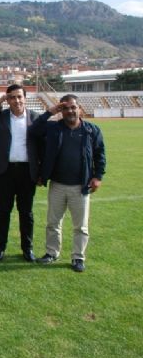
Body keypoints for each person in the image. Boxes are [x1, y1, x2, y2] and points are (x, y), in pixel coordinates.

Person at [29, 95, 106, 272]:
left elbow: (100, 155)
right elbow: (33, 131)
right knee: (53, 223)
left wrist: (98, 177)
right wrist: (50, 112)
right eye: (65, 108)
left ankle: (78, 257)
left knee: (81, 226)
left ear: (79, 108)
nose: (70, 111)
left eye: (73, 107)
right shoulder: (53, 128)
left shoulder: (92, 130)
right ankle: (52, 253)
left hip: (81, 186)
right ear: (61, 110)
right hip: (57, 184)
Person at [0, 84, 41, 262]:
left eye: (19, 96)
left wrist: (41, 172)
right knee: (3, 211)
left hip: (27, 171)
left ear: (25, 98)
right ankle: (0, 248)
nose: (16, 100)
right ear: (8, 100)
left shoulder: (36, 118)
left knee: (26, 212)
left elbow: (43, 146)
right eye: (12, 97)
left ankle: (27, 249)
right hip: (5, 171)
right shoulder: (0, 116)